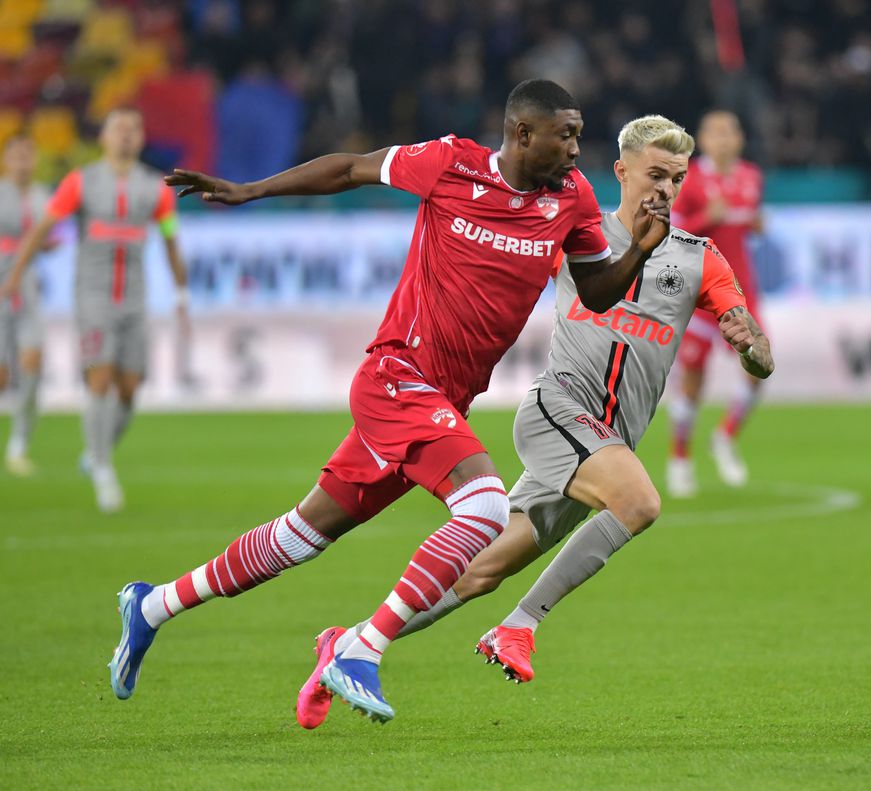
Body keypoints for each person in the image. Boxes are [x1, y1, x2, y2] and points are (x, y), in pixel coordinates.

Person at [107, 80, 671, 725]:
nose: (576, 149)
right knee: (485, 505)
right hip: (398, 375)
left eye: (577, 133)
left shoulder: (571, 199)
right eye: (564, 134)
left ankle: (151, 606)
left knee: (302, 535)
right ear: (521, 134)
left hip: (443, 401)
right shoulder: (451, 164)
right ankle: (360, 650)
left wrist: (637, 252)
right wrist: (252, 190)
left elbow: (596, 292)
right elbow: (350, 168)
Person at [294, 114, 773, 728]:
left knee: (479, 573)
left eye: (677, 178)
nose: (665, 189)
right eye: (655, 174)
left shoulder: (699, 259)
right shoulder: (576, 232)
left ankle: (353, 641)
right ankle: (519, 627)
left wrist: (751, 344)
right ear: (621, 172)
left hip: (607, 445)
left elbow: (757, 351)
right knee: (641, 504)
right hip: (559, 412)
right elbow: (495, 261)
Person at [3, 109, 190, 509]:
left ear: (141, 138)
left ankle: (95, 453)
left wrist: (181, 293)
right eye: (118, 128)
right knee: (99, 378)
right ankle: (104, 470)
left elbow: (171, 237)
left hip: (135, 299)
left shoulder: (153, 188)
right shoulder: (80, 182)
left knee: (129, 387)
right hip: (93, 298)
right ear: (103, 137)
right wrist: (17, 272)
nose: (125, 135)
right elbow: (42, 229)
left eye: (133, 128)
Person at [665, 109, 764, 496]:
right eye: (715, 133)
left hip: (742, 292)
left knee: (758, 368)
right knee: (694, 380)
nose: (723, 139)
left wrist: (754, 223)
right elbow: (670, 230)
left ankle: (724, 436)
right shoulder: (688, 178)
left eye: (730, 132)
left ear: (739, 139)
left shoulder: (751, 177)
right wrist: (707, 215)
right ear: (702, 140)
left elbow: (743, 225)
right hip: (700, 292)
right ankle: (680, 458)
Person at [0, 134, 52, 476]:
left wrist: (43, 246)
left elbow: (44, 238)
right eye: (17, 155)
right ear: (6, 159)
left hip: (28, 287)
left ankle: (19, 444)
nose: (23, 162)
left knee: (33, 359)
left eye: (28, 155)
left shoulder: (41, 195)